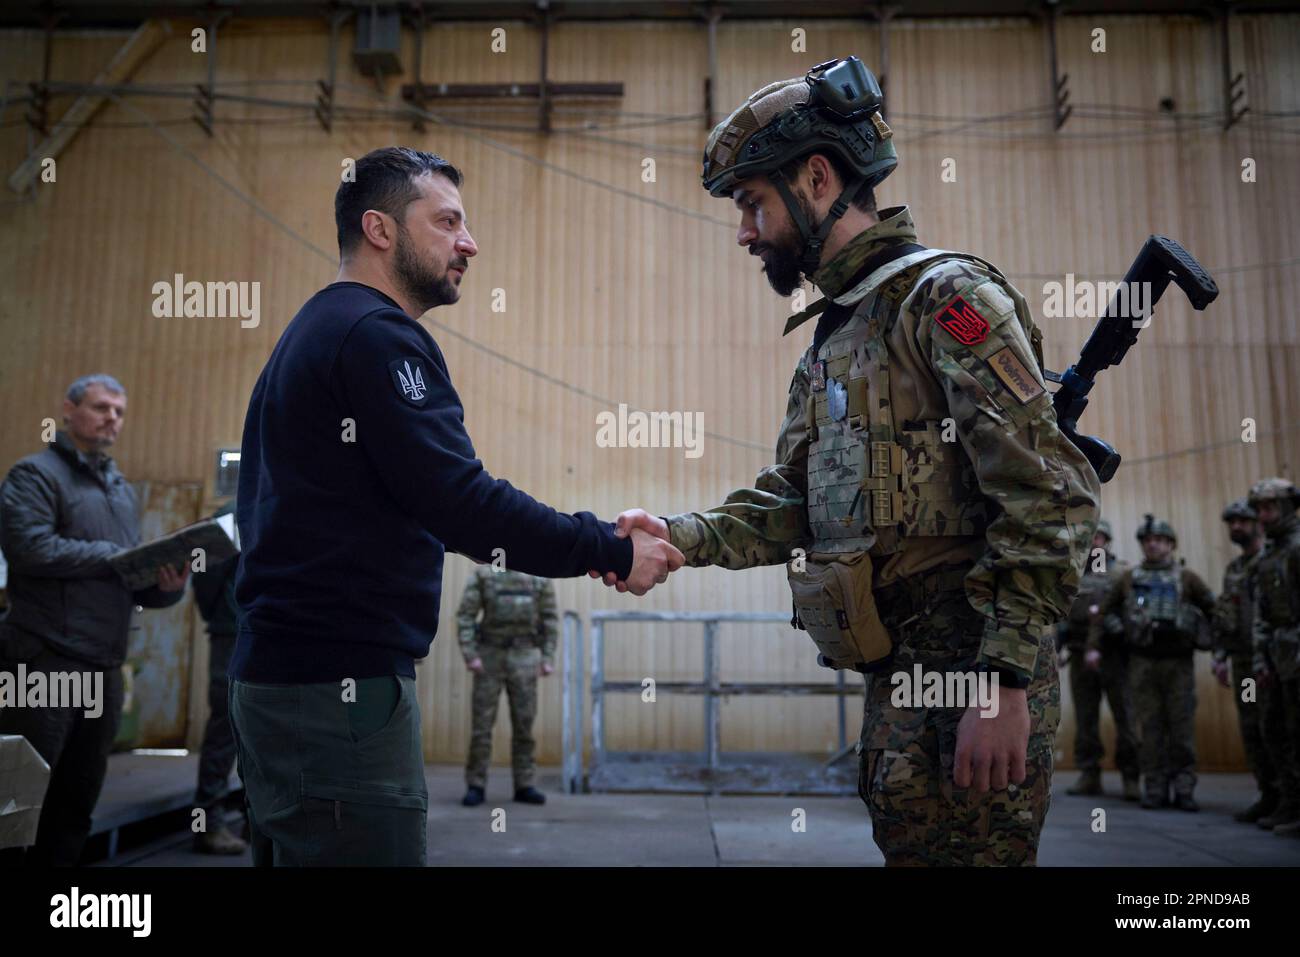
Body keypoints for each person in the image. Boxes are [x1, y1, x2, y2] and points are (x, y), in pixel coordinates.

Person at [602, 57, 1099, 866]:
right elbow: (796, 502)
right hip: (897, 677)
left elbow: (1051, 495)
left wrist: (1004, 681)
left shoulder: (948, 301)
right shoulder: (840, 332)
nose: (744, 231)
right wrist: (679, 535)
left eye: (752, 203)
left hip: (972, 668)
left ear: (819, 178)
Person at [230, 147, 682, 867]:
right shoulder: (376, 336)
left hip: (285, 680)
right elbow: (462, 503)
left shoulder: (316, 330)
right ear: (379, 229)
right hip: (338, 690)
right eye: (446, 222)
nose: (468, 242)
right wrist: (610, 546)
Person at [0, 374, 188, 866]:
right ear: (68, 409)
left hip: (103, 667)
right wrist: (112, 555)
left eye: (120, 412)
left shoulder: (120, 490)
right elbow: (29, 549)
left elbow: (127, 575)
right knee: (18, 806)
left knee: (76, 804)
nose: (112, 419)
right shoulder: (34, 475)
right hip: (44, 663)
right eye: (102, 407)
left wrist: (164, 586)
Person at [1095, 515, 1214, 810]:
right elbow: (1105, 613)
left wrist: (1209, 642)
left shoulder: (1187, 577)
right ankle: (1155, 788)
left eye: (1159, 540)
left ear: (1171, 544)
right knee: (1149, 728)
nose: (1153, 545)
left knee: (1181, 727)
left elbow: (1214, 608)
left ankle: (1184, 789)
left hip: (1179, 664)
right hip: (1142, 662)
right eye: (1148, 541)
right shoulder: (1129, 578)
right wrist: (1121, 631)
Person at [457, 567, 557, 806]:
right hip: (490, 654)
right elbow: (466, 615)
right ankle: (476, 784)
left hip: (525, 655)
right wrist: (470, 654)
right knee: (482, 725)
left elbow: (550, 618)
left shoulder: (539, 576)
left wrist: (547, 657)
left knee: (524, 724)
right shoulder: (484, 575)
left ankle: (524, 784)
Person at [1059, 519, 1138, 800]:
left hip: (1115, 656)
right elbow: (1060, 616)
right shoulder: (1073, 573)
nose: (1094, 542)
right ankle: (1089, 773)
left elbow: (1133, 614)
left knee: (1126, 716)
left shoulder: (1121, 574)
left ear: (1107, 540)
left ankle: (1131, 775)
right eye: (1090, 537)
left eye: (1099, 537)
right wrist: (1058, 648)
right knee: (1085, 719)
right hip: (1080, 654)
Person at [188, 498, 248, 854]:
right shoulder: (230, 516)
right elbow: (206, 577)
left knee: (261, 730)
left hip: (263, 630)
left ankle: (254, 821)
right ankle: (207, 824)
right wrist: (224, 618)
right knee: (225, 728)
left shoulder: (285, 499)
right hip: (235, 632)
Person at [1211, 498, 1273, 823]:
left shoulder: (1271, 561)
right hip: (1243, 664)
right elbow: (1225, 616)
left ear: (1258, 524)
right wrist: (1220, 656)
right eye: (1231, 522)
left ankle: (1290, 800)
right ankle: (1268, 794)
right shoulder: (1234, 569)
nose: (1236, 527)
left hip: (1274, 662)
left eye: (1243, 521)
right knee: (1251, 727)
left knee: (1277, 728)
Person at [1248, 477, 1300, 837]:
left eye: (1270, 508)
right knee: (1275, 729)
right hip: (1277, 656)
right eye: (1260, 510)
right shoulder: (1268, 553)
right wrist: (1262, 659)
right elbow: (1262, 614)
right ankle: (1288, 800)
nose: (1264, 516)